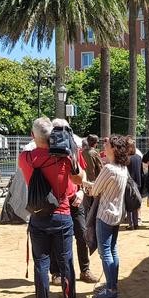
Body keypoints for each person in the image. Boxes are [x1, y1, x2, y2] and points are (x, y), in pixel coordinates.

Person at [19, 117, 84, 298]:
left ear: (32, 136)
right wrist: (71, 155)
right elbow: (78, 179)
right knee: (66, 263)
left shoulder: (25, 158)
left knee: (41, 264)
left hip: (39, 217)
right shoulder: (64, 158)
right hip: (62, 215)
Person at [48, 120, 99, 285]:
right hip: (55, 203)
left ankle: (85, 270)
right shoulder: (46, 153)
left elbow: (82, 175)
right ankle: (56, 272)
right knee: (57, 239)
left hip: (75, 201)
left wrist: (80, 192)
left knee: (82, 235)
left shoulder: (75, 151)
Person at [83, 135, 129, 298]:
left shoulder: (109, 169)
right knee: (113, 249)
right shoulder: (123, 168)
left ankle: (111, 289)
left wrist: (85, 183)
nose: (104, 144)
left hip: (104, 215)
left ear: (114, 149)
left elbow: (95, 191)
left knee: (105, 253)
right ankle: (112, 284)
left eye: (107, 144)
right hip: (117, 214)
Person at [125, 136, 142, 230]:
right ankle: (136, 223)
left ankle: (131, 223)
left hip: (129, 183)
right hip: (138, 183)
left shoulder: (127, 158)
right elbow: (141, 171)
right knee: (136, 204)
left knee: (129, 204)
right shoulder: (138, 157)